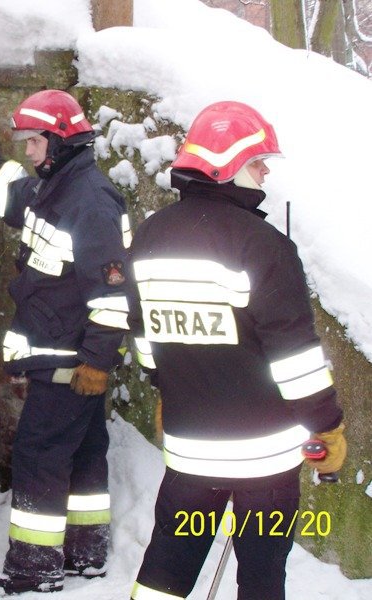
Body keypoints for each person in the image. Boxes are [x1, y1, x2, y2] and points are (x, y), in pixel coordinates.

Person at [126, 101, 346, 600]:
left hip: (190, 454)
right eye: (257, 161)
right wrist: (327, 426)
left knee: (166, 569)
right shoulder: (262, 245)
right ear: (225, 166)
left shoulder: (150, 235)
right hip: (265, 462)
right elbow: (296, 358)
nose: (266, 171)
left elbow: (143, 336)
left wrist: (165, 387)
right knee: (262, 578)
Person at [0, 89, 131, 596]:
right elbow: (13, 196)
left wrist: (96, 362)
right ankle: (86, 554)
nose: (29, 152)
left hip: (70, 360)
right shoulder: (55, 187)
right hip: (63, 354)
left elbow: (113, 293)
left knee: (39, 455)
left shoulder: (90, 202)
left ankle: (34, 569)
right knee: (84, 453)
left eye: (34, 142)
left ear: (58, 141)